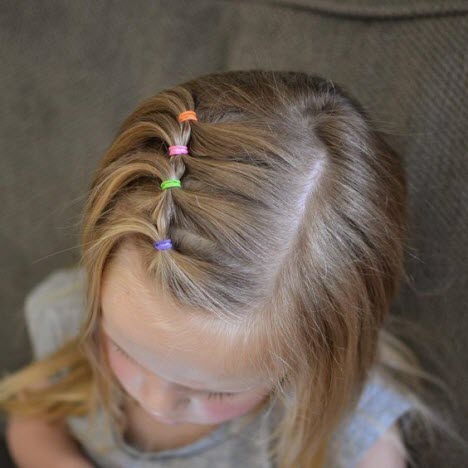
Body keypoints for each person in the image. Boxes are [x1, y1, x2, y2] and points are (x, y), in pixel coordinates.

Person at [0, 70, 439, 467]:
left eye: (214, 392)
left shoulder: (344, 418)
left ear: (315, 357)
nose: (156, 403)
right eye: (125, 352)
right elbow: (33, 420)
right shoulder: (68, 317)